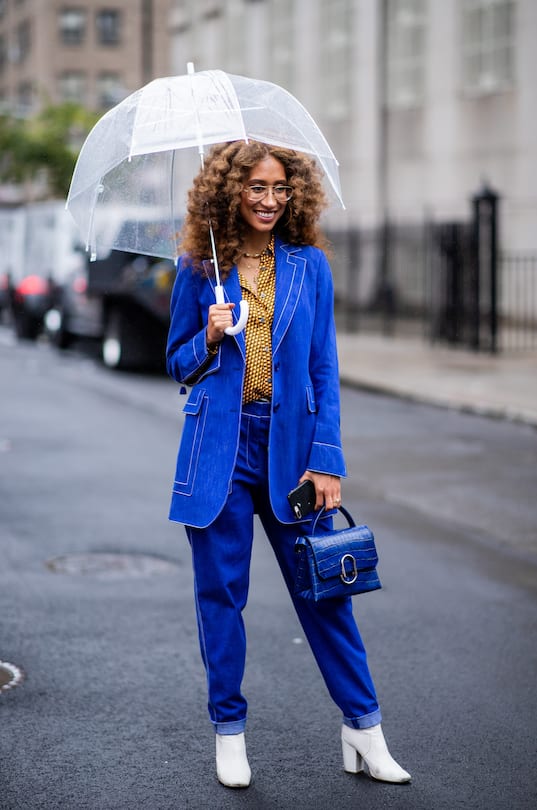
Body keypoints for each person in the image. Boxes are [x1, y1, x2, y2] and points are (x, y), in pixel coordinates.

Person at [166, 140, 411, 788]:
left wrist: (327, 462)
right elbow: (176, 363)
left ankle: (364, 729)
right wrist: (208, 336)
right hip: (219, 452)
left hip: (292, 451)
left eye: (280, 188)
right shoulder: (199, 267)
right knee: (221, 598)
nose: (270, 199)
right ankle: (229, 732)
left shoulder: (310, 267)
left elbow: (324, 370)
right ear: (230, 192)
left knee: (325, 593)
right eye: (256, 187)